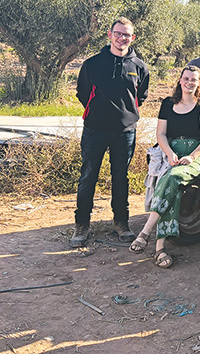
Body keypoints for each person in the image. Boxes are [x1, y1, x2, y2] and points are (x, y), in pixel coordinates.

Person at [71, 18, 150, 248]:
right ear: (109, 34)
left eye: (126, 35)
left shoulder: (140, 66)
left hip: (125, 132)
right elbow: (82, 93)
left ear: (132, 38)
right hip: (94, 130)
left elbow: (141, 97)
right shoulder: (93, 64)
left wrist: (125, 115)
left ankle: (121, 223)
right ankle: (82, 225)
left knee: (120, 178)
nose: (122, 38)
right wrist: (98, 111)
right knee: (88, 177)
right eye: (118, 33)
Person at [128, 66, 200, 268]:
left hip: (198, 154)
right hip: (172, 150)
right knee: (173, 185)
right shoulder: (168, 103)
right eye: (186, 78)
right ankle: (160, 248)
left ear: (199, 83)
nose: (189, 82)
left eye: (194, 79)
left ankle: (146, 230)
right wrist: (169, 153)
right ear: (180, 80)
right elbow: (161, 134)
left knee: (173, 176)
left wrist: (192, 156)